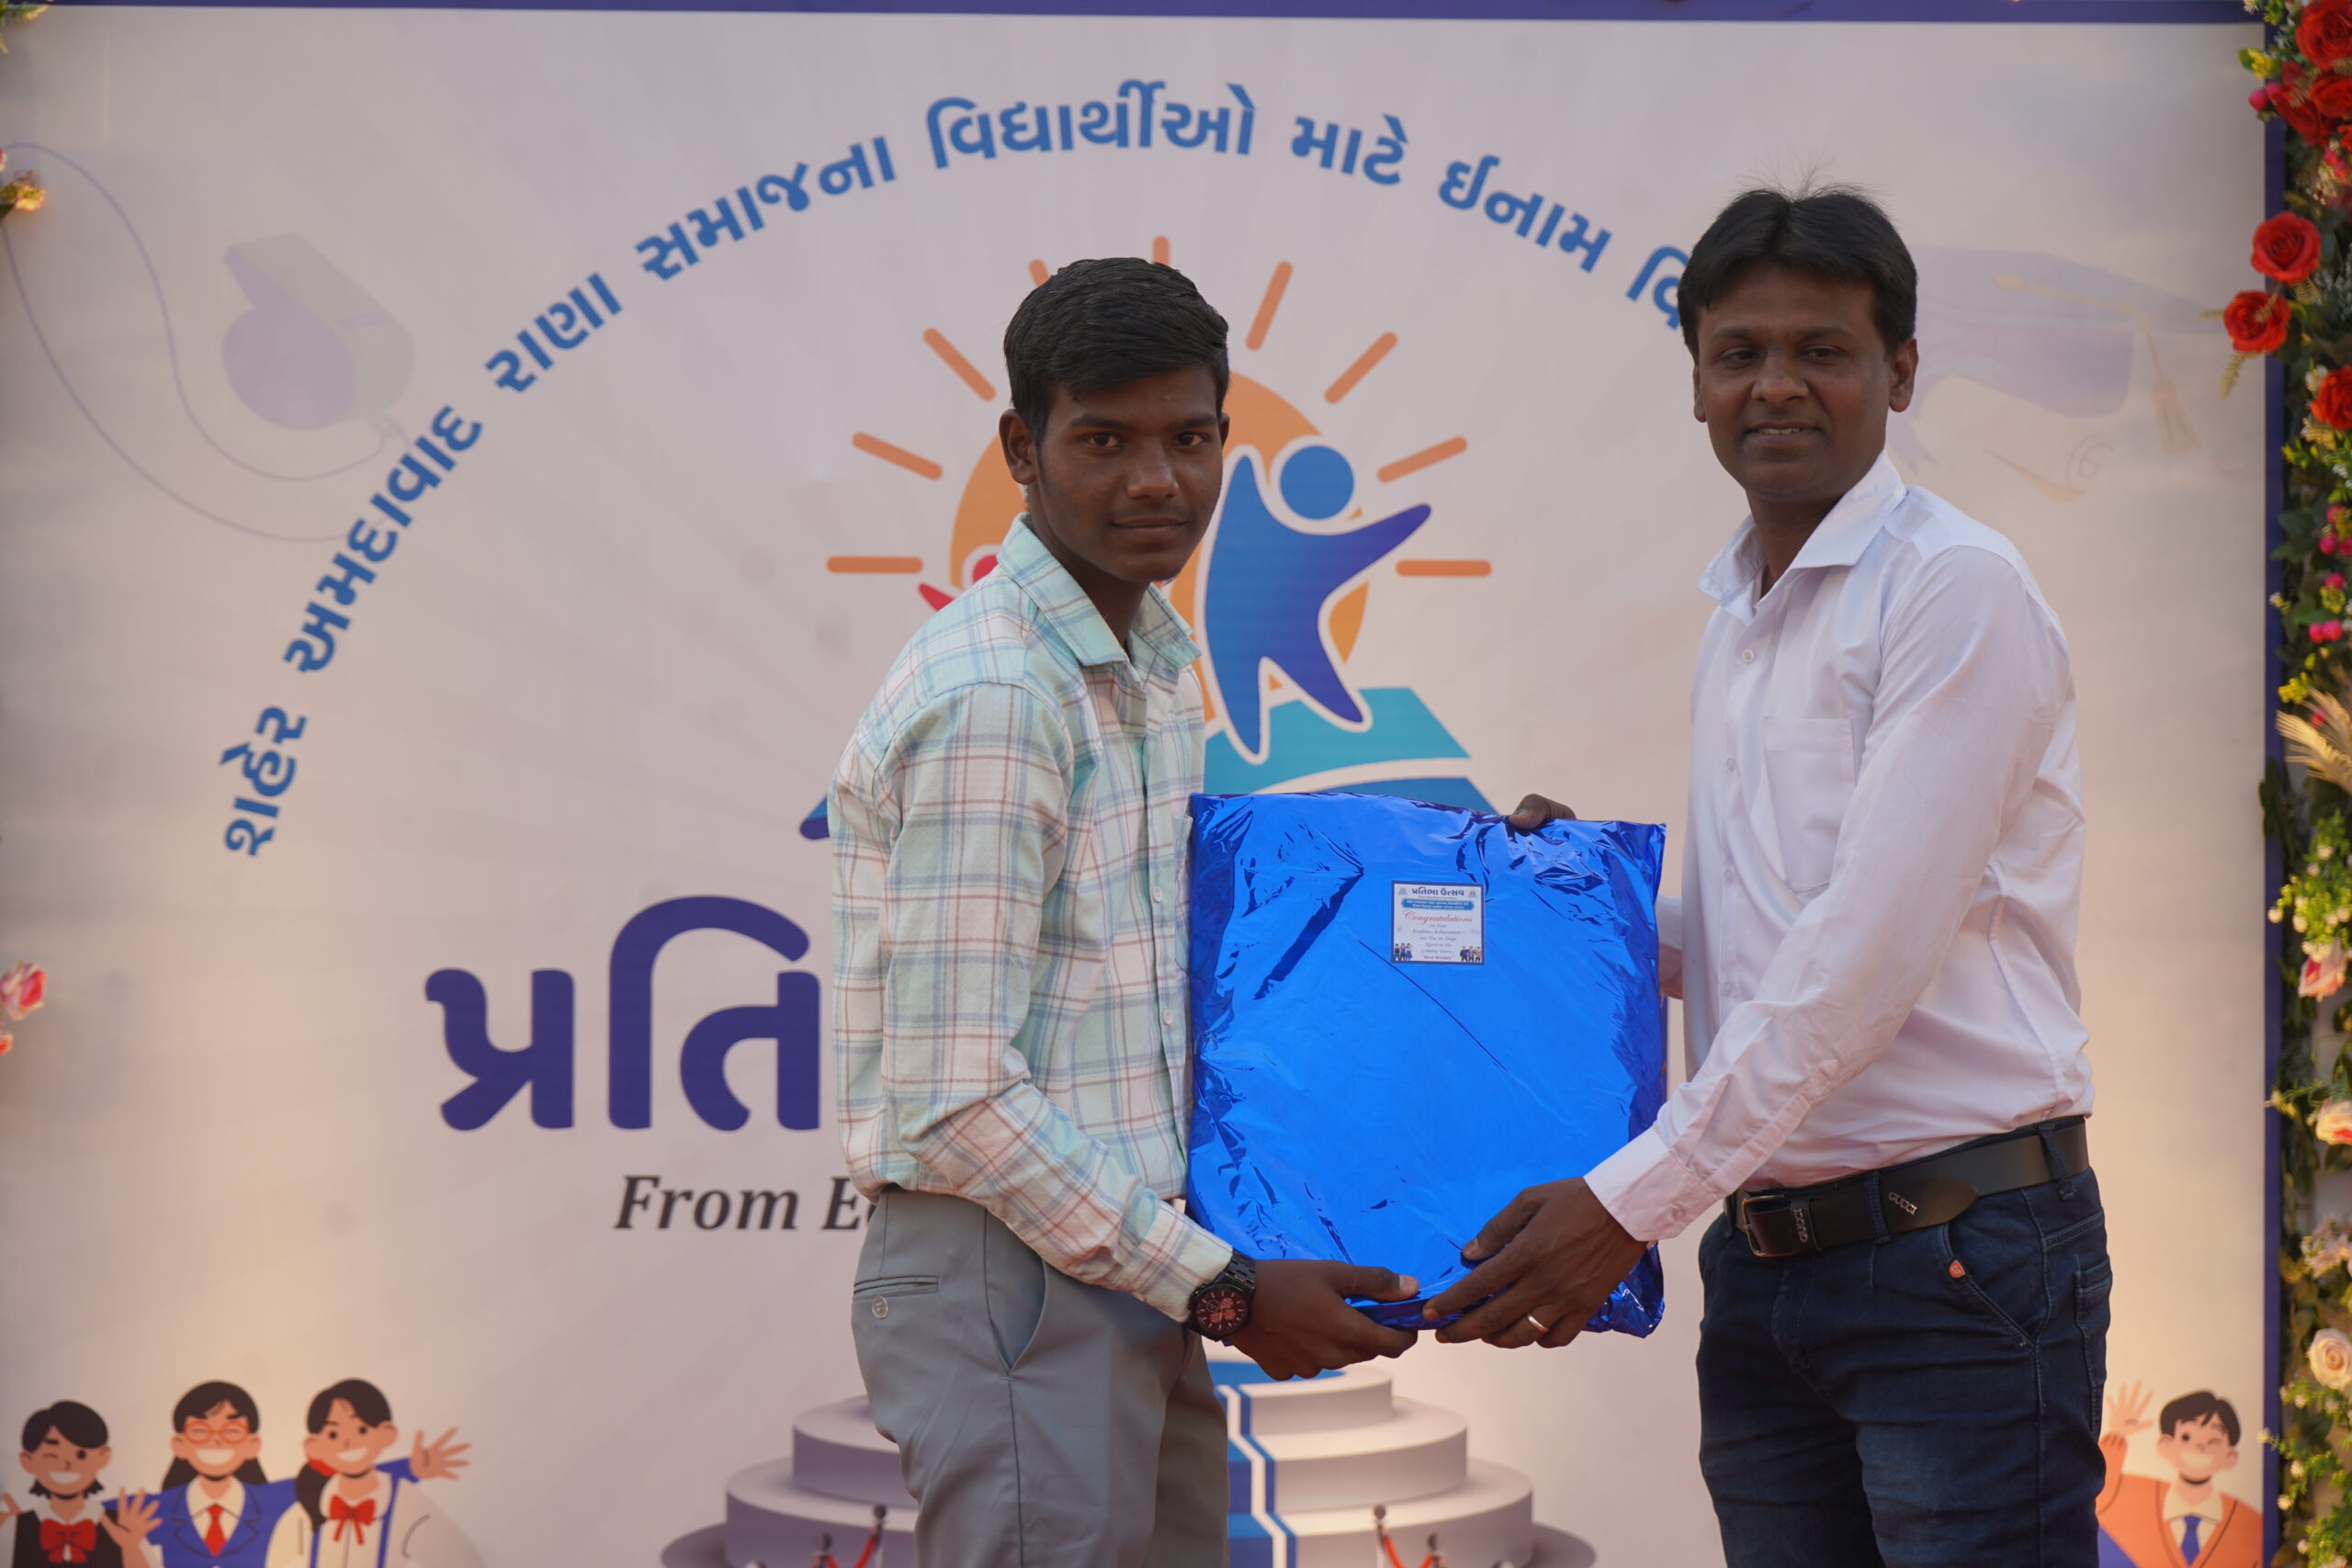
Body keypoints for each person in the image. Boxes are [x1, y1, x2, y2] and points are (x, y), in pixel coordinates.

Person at [1425, 185, 2108, 1566]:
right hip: (1765, 1258)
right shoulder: (1738, 611)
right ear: (1695, 383)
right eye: (1739, 353)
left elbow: (1861, 962)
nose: (1776, 386)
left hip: (1954, 1257)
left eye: (1822, 351)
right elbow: (1764, 940)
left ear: (1899, 371)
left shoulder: (1954, 588)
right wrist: (1579, 912)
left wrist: (1629, 1200)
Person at [830, 255, 1418, 1568]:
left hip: (1121, 1261)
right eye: (1104, 439)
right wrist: (1223, 1286)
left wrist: (1508, 883)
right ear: (1020, 450)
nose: (1156, 479)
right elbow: (957, 1099)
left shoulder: (1147, 663)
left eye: (1188, 438)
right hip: (1019, 1272)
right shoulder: (1001, 692)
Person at [135, 1383, 462, 1568]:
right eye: (200, 1431)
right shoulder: (158, 1509)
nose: (216, 1441)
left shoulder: (272, 1501)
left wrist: (410, 1468)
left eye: (231, 1431)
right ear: (179, 1444)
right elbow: (108, 1512)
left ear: (252, 1444)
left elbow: (340, 1472)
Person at [262, 1381, 475, 1568]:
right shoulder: (305, 1511)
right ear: (313, 1446)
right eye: (333, 1434)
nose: (348, 1442)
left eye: (362, 1430)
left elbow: (460, 1559)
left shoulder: (404, 1502)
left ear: (387, 1434)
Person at [2095, 1383, 2257, 1568]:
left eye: (2214, 1441)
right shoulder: (2140, 1496)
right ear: (2165, 1445)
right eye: (2186, 1437)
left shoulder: (2248, 1520)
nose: (2200, 1447)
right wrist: (2116, 1435)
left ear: (2231, 1457)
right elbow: (2100, 1499)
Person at [2, 1402, 160, 1567]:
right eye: (51, 1456)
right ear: (27, 1461)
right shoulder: (15, 1527)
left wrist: (130, 1547)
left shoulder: (122, 1527)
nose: (66, 1465)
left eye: (81, 1455)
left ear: (103, 1456)